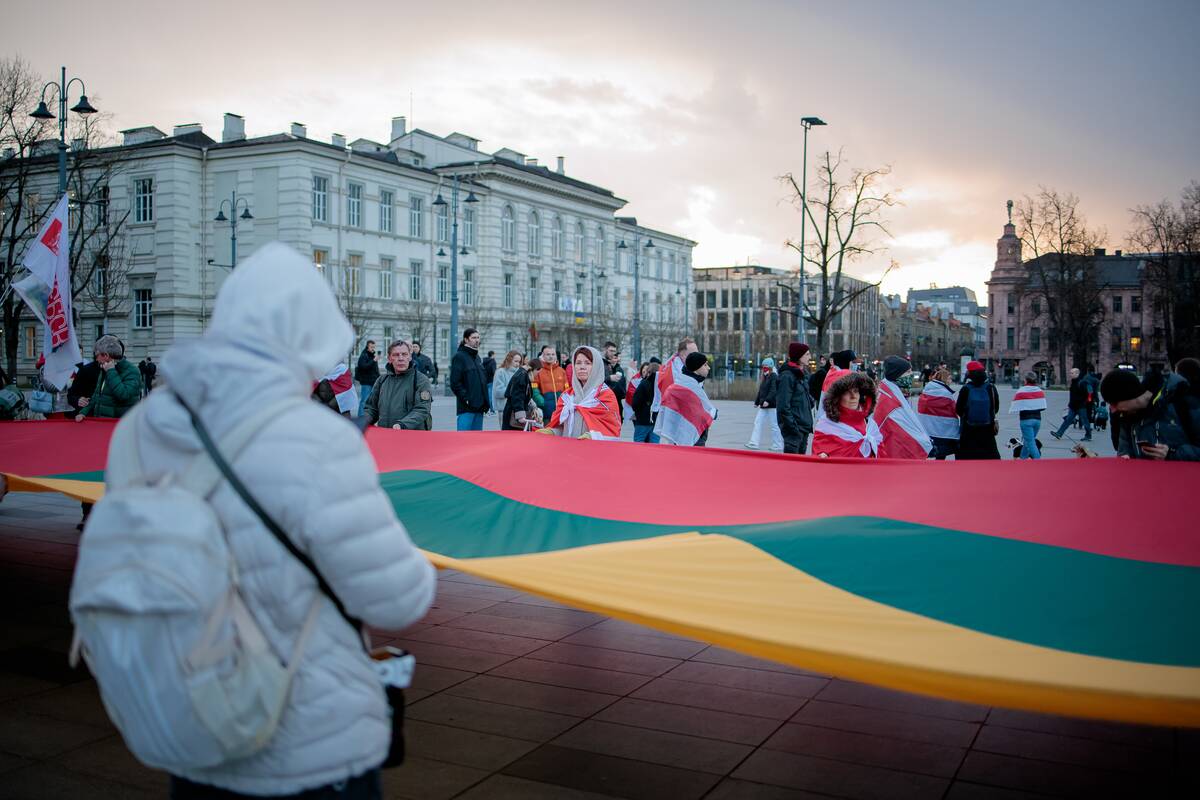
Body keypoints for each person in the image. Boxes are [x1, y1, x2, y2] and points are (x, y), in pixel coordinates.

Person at [117, 242, 435, 798]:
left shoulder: (150, 431)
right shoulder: (319, 442)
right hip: (310, 734)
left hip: (197, 716)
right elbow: (397, 598)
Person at [1103, 367, 1199, 461]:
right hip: (1142, 476)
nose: (1112, 410)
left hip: (1182, 476)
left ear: (1129, 396)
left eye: (1114, 403)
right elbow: (1123, 451)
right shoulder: (1125, 416)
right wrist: (1125, 458)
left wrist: (1172, 453)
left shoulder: (1182, 403)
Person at [540, 346, 622, 439]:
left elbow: (613, 433)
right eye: (578, 363)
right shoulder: (567, 396)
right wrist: (552, 432)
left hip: (593, 451)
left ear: (596, 367)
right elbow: (564, 429)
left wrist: (593, 436)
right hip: (568, 451)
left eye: (588, 363)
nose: (582, 367)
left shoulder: (605, 396)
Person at [363, 340, 433, 430]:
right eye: (396, 355)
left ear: (410, 357)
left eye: (404, 354)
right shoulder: (382, 380)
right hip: (386, 436)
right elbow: (371, 408)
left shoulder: (421, 380)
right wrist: (364, 420)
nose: (401, 358)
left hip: (412, 438)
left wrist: (402, 424)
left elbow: (422, 409)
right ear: (389, 359)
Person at [874, 356, 933, 459]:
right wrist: (924, 445)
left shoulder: (891, 392)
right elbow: (902, 433)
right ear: (897, 375)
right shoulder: (889, 401)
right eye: (908, 372)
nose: (911, 375)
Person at [74, 334, 142, 421]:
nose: (96, 360)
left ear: (105, 355)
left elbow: (124, 395)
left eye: (97, 356)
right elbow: (97, 395)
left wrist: (111, 371)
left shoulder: (132, 371)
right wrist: (83, 412)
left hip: (120, 425)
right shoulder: (105, 369)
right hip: (103, 423)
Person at [654, 351, 717, 446]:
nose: (708, 367)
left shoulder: (695, 385)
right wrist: (712, 412)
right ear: (697, 368)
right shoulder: (682, 388)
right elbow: (668, 416)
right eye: (705, 365)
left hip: (696, 437)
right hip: (689, 441)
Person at [813, 371, 881, 458]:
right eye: (846, 392)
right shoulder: (825, 426)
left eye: (856, 391)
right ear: (837, 397)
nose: (853, 396)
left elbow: (881, 457)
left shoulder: (870, 425)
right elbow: (819, 460)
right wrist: (822, 456)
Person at [955, 360, 1000, 460]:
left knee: (966, 459)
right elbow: (995, 407)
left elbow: (958, 409)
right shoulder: (991, 387)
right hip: (987, 429)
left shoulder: (966, 389)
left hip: (968, 430)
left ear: (970, 374)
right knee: (990, 458)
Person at [776, 343, 814, 455]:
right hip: (794, 430)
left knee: (801, 468)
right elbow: (783, 406)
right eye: (807, 354)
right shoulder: (787, 376)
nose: (810, 357)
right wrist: (793, 428)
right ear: (799, 356)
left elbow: (803, 399)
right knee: (791, 468)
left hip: (803, 428)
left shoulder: (802, 375)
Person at [450, 328, 489, 430]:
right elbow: (455, 382)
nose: (477, 340)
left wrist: (485, 401)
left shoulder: (477, 358)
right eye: (473, 338)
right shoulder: (459, 357)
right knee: (463, 440)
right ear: (466, 340)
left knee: (476, 441)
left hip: (479, 407)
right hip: (466, 408)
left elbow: (482, 381)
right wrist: (466, 399)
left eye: (478, 337)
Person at [918, 365, 959, 459]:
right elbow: (955, 409)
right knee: (944, 448)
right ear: (944, 379)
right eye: (949, 378)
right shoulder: (946, 394)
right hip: (942, 428)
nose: (950, 381)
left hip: (928, 425)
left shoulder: (926, 390)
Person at [652, 337, 699, 413]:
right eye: (694, 354)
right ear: (683, 355)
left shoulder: (681, 368)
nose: (697, 356)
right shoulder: (675, 373)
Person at [747, 356, 783, 450]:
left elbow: (773, 390)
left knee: (774, 425)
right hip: (764, 405)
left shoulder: (774, 376)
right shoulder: (765, 376)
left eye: (766, 366)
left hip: (772, 406)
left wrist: (768, 400)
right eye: (763, 366)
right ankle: (754, 443)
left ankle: (778, 444)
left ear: (770, 367)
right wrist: (757, 402)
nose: (764, 368)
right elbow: (761, 391)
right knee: (757, 422)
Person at [1009, 371, 1047, 459]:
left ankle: (1038, 461)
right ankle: (1023, 458)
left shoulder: (1021, 391)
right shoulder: (1039, 390)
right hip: (1037, 420)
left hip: (1026, 420)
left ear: (1026, 380)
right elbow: (1043, 406)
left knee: (1030, 443)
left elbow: (1016, 405)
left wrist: (1026, 405)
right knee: (1027, 441)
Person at [1051, 367, 1093, 441]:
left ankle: (1088, 435)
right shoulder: (1073, 382)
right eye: (1070, 373)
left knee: (1084, 421)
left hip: (1081, 406)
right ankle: (1059, 433)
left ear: (1077, 373)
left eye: (1072, 373)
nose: (1070, 374)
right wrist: (1070, 403)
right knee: (1067, 420)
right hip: (1073, 406)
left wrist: (1083, 403)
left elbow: (1086, 395)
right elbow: (1073, 395)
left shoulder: (1082, 383)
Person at [502, 357, 543, 431]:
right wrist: (520, 416)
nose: (538, 375)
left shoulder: (524, 374)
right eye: (538, 372)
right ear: (535, 369)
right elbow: (517, 396)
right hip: (513, 414)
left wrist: (533, 407)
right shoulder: (522, 376)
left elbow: (525, 396)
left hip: (512, 411)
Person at [531, 345, 569, 423]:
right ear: (543, 356)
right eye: (548, 354)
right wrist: (542, 402)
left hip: (561, 411)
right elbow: (534, 389)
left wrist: (566, 402)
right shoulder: (538, 371)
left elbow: (567, 388)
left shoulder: (561, 371)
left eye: (553, 354)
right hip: (545, 412)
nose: (551, 357)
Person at [631, 361, 661, 443]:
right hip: (656, 420)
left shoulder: (644, 383)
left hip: (643, 419)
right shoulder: (661, 385)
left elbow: (635, 402)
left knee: (639, 441)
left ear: (649, 372)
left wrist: (638, 412)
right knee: (655, 444)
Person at [491, 350, 522, 428]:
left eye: (519, 362)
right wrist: (514, 391)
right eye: (516, 361)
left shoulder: (520, 373)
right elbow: (498, 392)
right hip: (505, 409)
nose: (517, 364)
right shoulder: (500, 372)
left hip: (518, 410)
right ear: (509, 360)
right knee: (506, 434)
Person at [354, 340, 381, 418]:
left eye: (374, 347)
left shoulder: (372, 355)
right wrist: (373, 361)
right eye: (371, 347)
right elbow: (363, 367)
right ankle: (361, 417)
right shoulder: (364, 355)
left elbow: (375, 369)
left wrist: (379, 378)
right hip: (366, 382)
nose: (373, 348)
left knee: (371, 401)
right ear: (367, 346)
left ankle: (368, 417)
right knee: (364, 400)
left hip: (373, 381)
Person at [602, 342, 627, 419]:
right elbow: (594, 379)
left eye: (614, 351)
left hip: (613, 400)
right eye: (611, 351)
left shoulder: (609, 364)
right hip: (602, 401)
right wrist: (609, 378)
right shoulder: (600, 363)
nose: (613, 353)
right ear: (605, 350)